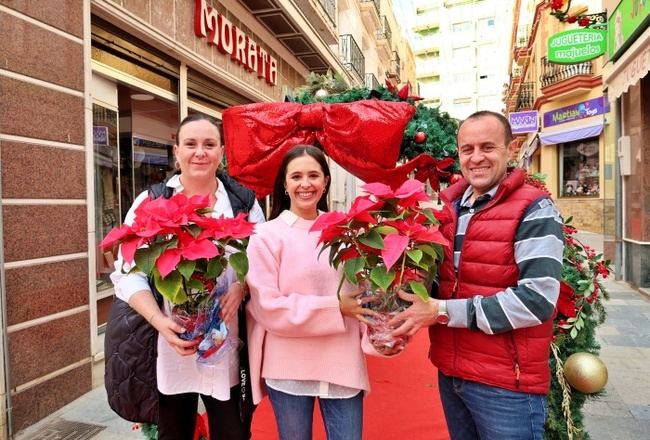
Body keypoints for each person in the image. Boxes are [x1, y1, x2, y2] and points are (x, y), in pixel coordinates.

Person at [391, 111, 564, 439]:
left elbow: (537, 301)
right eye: (467, 149)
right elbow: (448, 282)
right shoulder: (449, 209)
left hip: (506, 386)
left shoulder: (534, 209)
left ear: (509, 149)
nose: (476, 158)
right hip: (452, 373)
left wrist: (440, 312)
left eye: (487, 147)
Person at [110, 113, 265, 440]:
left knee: (233, 433)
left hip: (225, 343)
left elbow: (262, 259)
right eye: (191, 144)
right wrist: (158, 321)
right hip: (172, 343)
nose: (200, 152)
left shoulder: (242, 202)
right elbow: (127, 274)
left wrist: (241, 285)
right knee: (174, 432)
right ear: (176, 149)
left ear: (221, 151)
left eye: (209, 144)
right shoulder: (152, 201)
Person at [245, 145, 379, 440]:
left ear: (326, 181)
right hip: (287, 365)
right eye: (296, 176)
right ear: (284, 183)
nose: (305, 184)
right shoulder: (266, 236)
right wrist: (334, 307)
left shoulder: (347, 232)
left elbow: (359, 297)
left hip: (341, 360)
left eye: (313, 175)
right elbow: (268, 307)